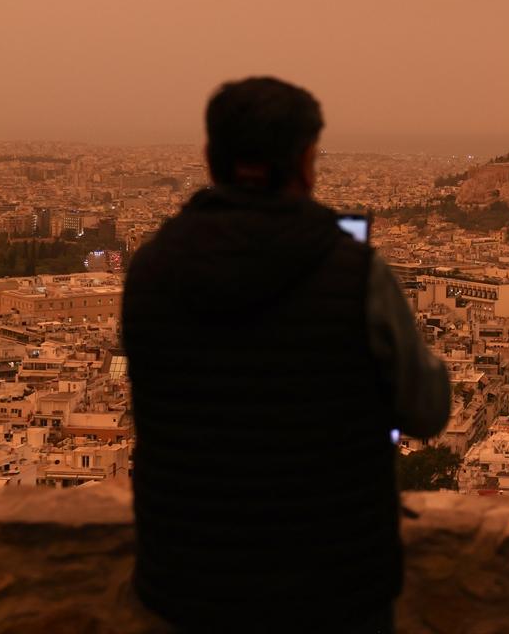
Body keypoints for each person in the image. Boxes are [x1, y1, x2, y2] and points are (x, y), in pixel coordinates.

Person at [123, 77, 450, 633]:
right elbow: (427, 410)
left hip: (189, 581)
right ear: (306, 161)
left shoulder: (150, 269)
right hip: (333, 584)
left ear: (211, 158)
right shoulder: (354, 274)